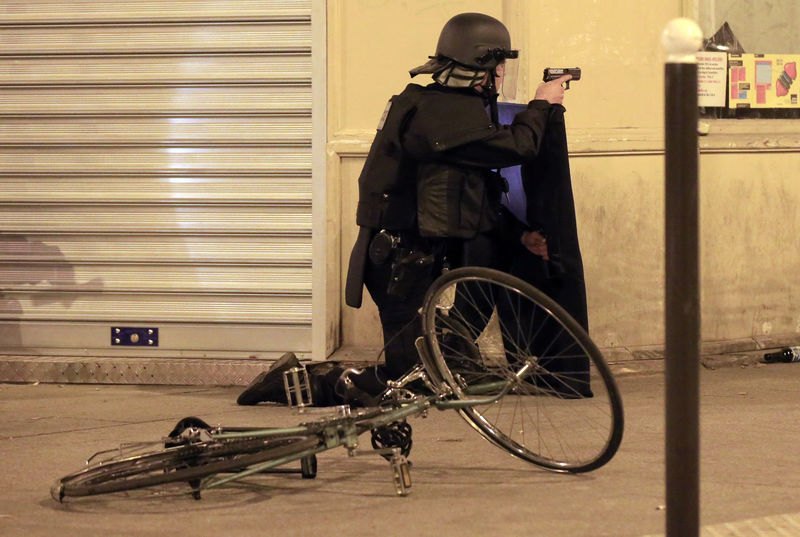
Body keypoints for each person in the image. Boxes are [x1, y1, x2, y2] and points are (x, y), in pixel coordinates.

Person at [237, 12, 571, 407]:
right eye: (497, 67)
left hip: (417, 257)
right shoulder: (439, 112)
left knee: (442, 369)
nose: (499, 76)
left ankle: (440, 361)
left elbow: (472, 193)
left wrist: (519, 236)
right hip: (399, 263)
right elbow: (519, 146)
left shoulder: (441, 106)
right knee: (405, 383)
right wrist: (542, 104)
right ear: (485, 65)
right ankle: (295, 382)